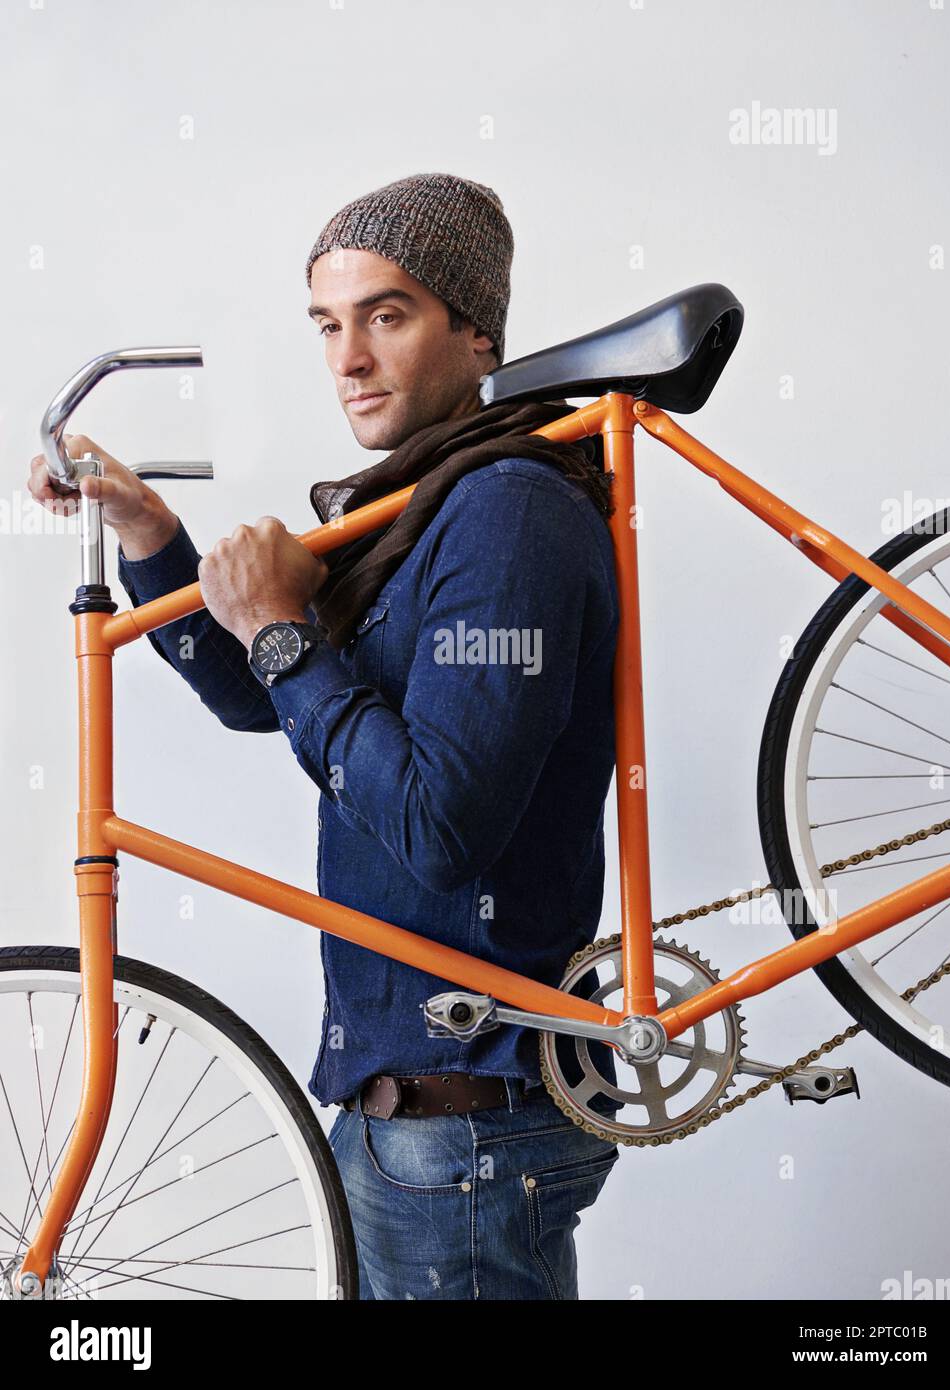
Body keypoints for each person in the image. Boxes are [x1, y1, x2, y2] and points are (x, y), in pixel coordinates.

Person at [28, 172, 622, 1300]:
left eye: (386, 316)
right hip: (406, 1117)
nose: (346, 357)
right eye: (326, 323)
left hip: (466, 1129)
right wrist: (154, 533)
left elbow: (438, 826)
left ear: (476, 330)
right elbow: (268, 698)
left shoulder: (507, 508)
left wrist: (285, 627)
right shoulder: (418, 503)